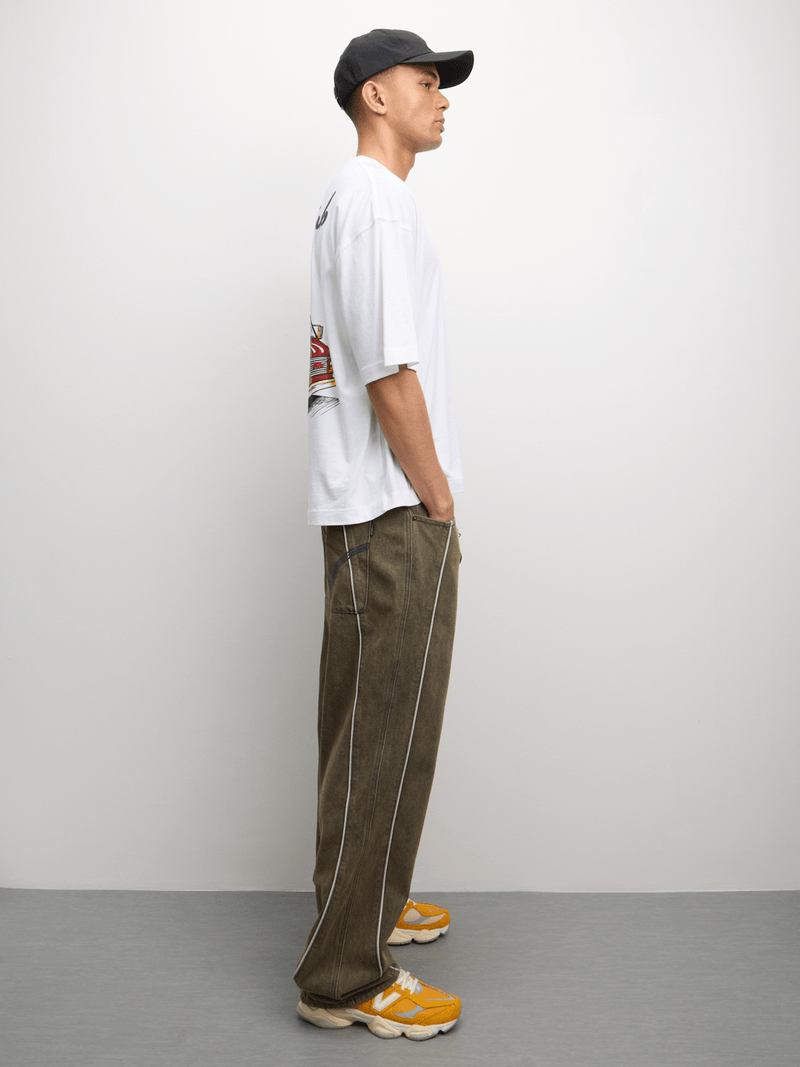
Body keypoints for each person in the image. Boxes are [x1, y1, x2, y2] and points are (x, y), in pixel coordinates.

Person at [295, 28, 474, 1042]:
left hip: (366, 505)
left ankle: (365, 902)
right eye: (425, 80)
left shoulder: (355, 200)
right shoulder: (371, 198)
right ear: (375, 95)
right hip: (393, 509)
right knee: (386, 739)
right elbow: (386, 370)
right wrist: (436, 495)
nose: (442, 98)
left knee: (365, 733)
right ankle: (345, 973)